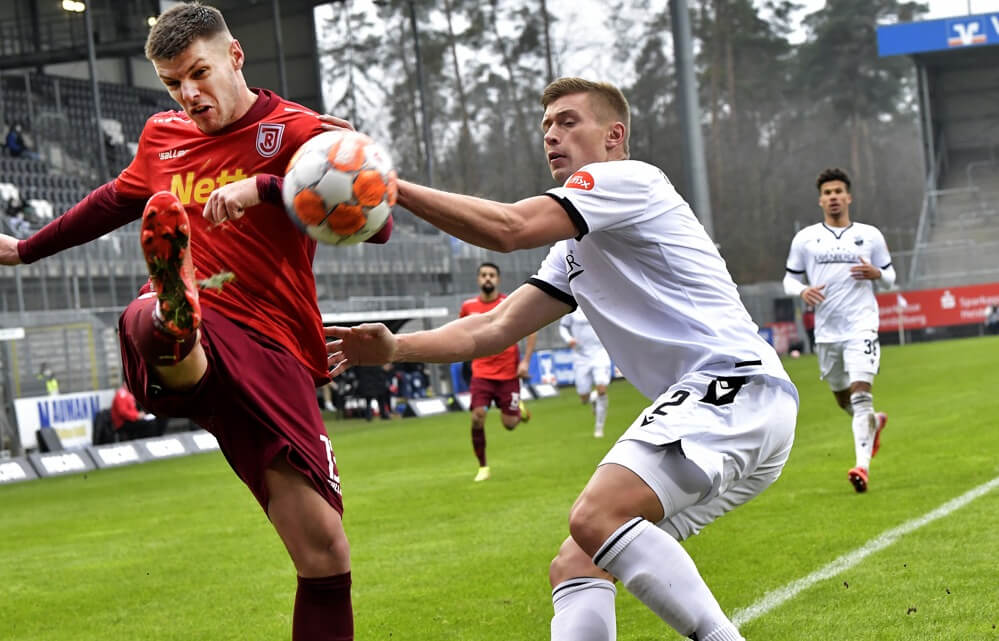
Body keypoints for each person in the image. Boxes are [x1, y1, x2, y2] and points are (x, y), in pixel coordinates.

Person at [327, 77, 798, 641]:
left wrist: (386, 186)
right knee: (577, 563)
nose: (552, 134)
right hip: (743, 409)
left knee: (596, 517)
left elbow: (509, 228)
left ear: (614, 135)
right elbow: (494, 328)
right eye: (546, 125)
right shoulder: (573, 247)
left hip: (732, 388)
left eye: (569, 121)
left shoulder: (628, 179)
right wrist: (394, 349)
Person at [0, 4, 392, 640]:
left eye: (198, 73)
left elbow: (378, 223)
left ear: (235, 55)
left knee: (325, 555)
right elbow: (109, 203)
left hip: (278, 344)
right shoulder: (162, 137)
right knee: (153, 318)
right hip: (213, 318)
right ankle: (173, 315)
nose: (188, 93)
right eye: (172, 82)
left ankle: (173, 322)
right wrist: (25, 248)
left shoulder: (303, 131)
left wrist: (271, 188)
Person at [783, 167, 892, 494]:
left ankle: (862, 467)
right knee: (842, 397)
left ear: (848, 197)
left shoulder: (870, 235)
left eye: (838, 192)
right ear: (820, 200)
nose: (833, 198)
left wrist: (876, 273)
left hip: (862, 324)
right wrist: (801, 291)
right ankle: (875, 424)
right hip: (827, 331)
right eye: (827, 193)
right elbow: (788, 278)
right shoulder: (805, 238)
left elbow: (891, 277)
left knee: (861, 395)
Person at [459, 261, 537, 482]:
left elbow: (531, 330)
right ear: (478, 279)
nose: (487, 279)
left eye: (491, 275)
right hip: (481, 372)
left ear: (498, 279)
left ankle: (519, 410)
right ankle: (483, 467)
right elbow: (460, 332)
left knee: (510, 425)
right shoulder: (468, 307)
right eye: (483, 275)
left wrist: (526, 362)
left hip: (508, 374)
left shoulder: (508, 304)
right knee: (477, 417)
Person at [559, 307, 612, 438]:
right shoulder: (572, 308)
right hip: (580, 355)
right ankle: (592, 398)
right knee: (584, 398)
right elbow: (563, 326)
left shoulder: (597, 303)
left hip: (600, 351)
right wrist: (569, 339)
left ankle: (599, 428)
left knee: (602, 388)